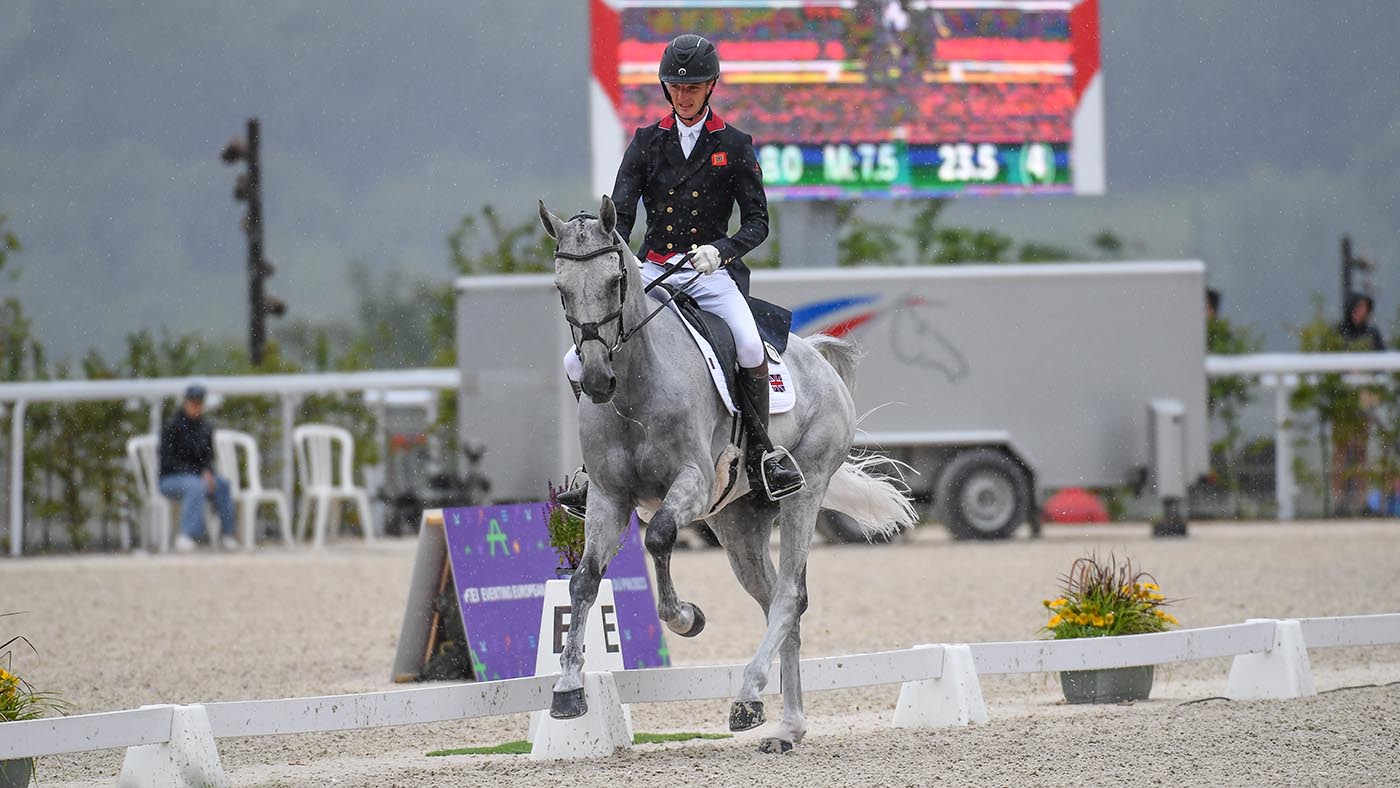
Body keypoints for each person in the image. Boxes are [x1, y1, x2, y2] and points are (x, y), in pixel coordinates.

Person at [558, 33, 804, 515]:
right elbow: (621, 218)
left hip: (709, 274)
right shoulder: (647, 143)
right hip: (653, 269)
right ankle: (595, 467)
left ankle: (761, 454)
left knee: (751, 345)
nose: (683, 95)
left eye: (692, 87)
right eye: (675, 86)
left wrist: (723, 250)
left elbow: (758, 222)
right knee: (574, 360)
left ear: (711, 86)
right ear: (666, 88)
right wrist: (611, 259)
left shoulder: (734, 145)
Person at [158, 384, 237, 551]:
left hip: (197, 476)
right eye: (192, 402)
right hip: (171, 479)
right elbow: (168, 462)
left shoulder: (205, 427)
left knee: (222, 484)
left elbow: (208, 458)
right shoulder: (172, 427)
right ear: (185, 403)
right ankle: (188, 535)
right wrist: (197, 473)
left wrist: (207, 472)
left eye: (199, 403)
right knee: (196, 486)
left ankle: (227, 534)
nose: (195, 407)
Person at [1331, 293, 1384, 515]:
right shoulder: (1338, 333)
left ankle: (1361, 501)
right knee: (1341, 451)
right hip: (1343, 398)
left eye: (1365, 308)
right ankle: (1338, 501)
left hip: (1364, 396)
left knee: (1361, 450)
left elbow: (1382, 360)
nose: (1362, 313)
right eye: (1358, 308)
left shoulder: (1372, 334)